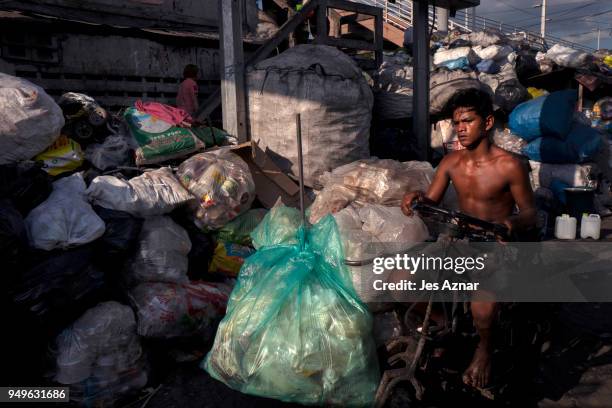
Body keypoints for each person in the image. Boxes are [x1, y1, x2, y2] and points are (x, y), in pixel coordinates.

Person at [401, 88, 537, 389]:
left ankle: (484, 349)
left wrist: (511, 222)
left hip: (495, 243)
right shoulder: (451, 162)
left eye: (467, 121)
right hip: (458, 239)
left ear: (487, 123)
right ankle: (439, 328)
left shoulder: (510, 165)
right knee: (402, 277)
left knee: (483, 303)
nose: (460, 128)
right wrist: (416, 197)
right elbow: (432, 199)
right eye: (456, 122)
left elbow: (531, 213)